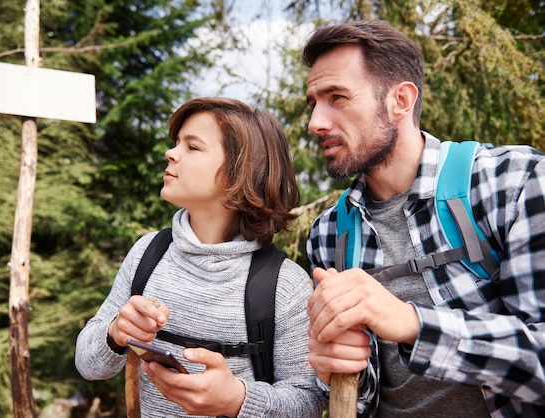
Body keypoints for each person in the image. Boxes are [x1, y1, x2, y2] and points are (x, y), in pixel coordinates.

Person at [303, 20, 545, 417]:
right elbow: (363, 394)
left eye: (337, 97)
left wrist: (410, 322)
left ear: (400, 100)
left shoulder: (513, 182)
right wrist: (341, 368)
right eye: (313, 102)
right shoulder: (330, 234)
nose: (316, 123)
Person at [75, 97, 327, 417]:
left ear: (240, 172)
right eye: (176, 143)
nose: (171, 153)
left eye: (192, 147)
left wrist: (238, 399)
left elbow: (308, 401)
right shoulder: (148, 253)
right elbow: (87, 364)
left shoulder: (285, 284)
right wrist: (115, 332)